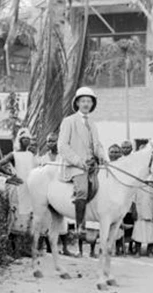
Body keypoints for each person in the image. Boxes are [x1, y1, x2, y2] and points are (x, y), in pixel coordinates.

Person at [58, 87, 108, 232]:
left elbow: (97, 145)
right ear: (78, 103)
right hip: (75, 166)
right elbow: (62, 146)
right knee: (82, 190)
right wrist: (79, 162)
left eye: (89, 101)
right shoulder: (69, 121)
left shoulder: (92, 124)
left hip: (92, 166)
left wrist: (103, 157)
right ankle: (80, 226)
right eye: (83, 101)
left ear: (92, 104)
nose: (86, 104)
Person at [132, 174, 153, 257]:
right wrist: (134, 211)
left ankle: (149, 251)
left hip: (150, 211)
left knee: (150, 233)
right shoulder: (137, 184)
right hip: (140, 211)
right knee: (138, 232)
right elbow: (133, 200)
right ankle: (137, 252)